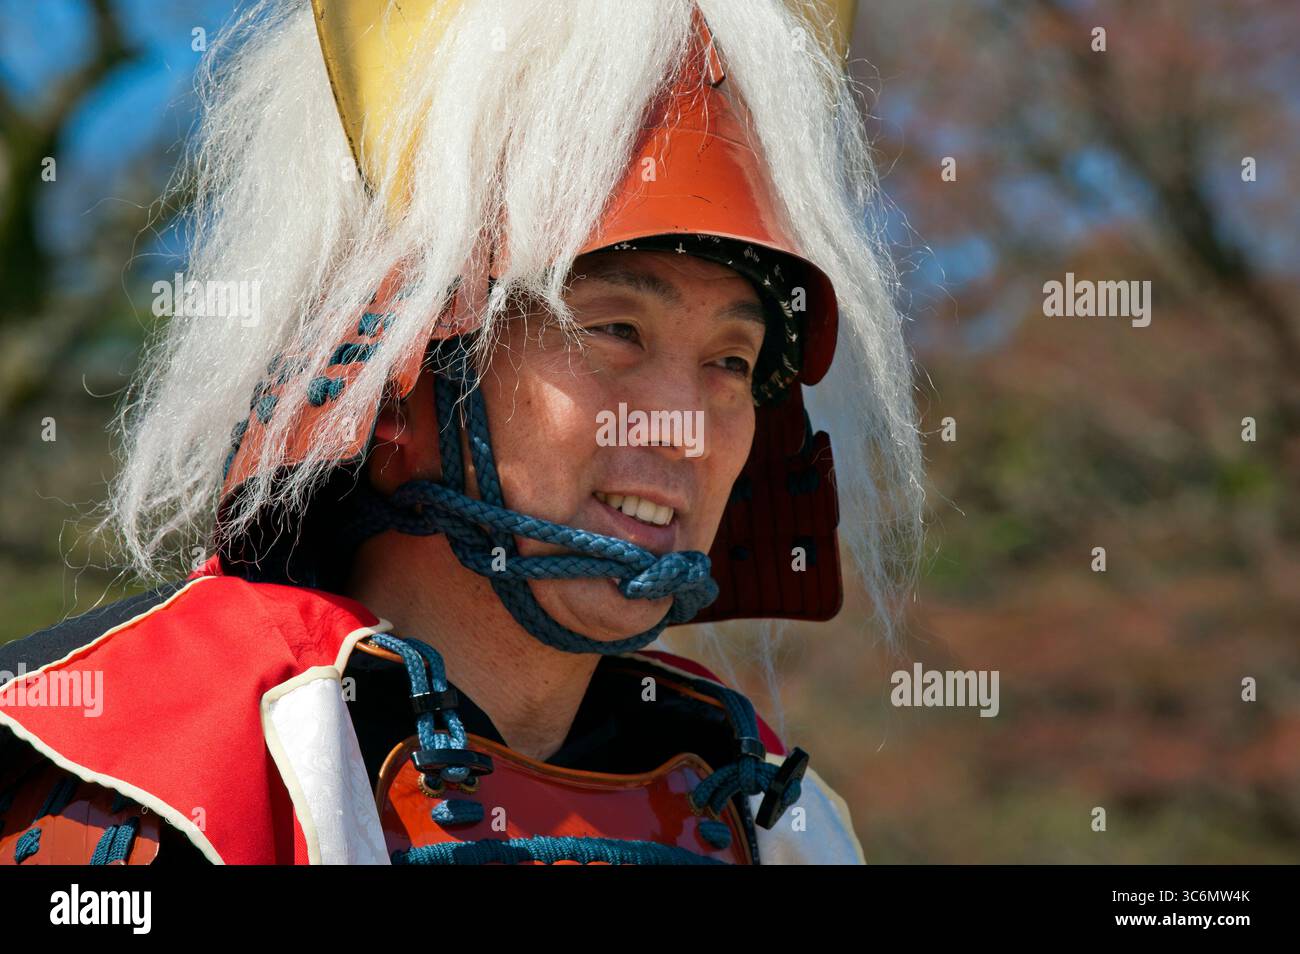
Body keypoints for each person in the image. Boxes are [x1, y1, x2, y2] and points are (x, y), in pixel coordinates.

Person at [0, 0, 922, 865]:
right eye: (615, 332)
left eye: (731, 361)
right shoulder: (135, 776)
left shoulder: (768, 810)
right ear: (399, 382)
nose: (687, 429)